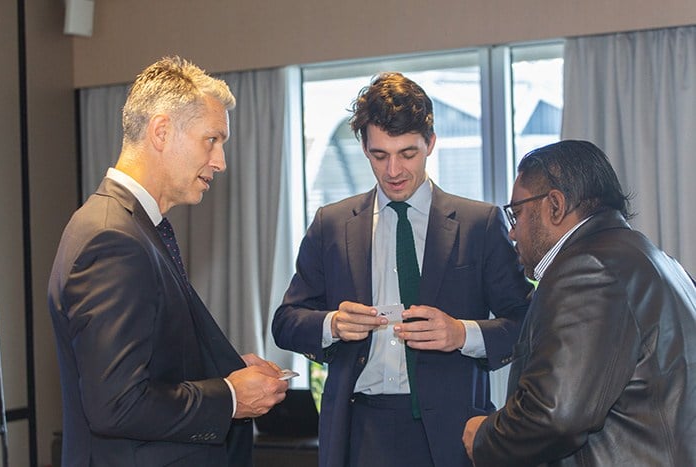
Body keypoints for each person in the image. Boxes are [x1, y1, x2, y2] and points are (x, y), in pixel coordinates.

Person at [272, 72, 532, 467]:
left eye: (407, 153)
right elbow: (286, 321)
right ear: (364, 147)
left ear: (430, 143)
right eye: (380, 155)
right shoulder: (331, 224)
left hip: (453, 432)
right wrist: (333, 325)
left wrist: (462, 333)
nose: (393, 170)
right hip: (357, 431)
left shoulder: (479, 224)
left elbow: (527, 322)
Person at [48, 56, 289, 467]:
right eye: (211, 140)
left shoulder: (135, 227)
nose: (220, 161)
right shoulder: (112, 237)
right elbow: (118, 404)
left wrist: (225, 370)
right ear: (161, 131)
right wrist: (231, 397)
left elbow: (154, 363)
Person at [463, 140, 696, 466]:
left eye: (517, 214)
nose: (513, 233)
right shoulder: (657, 260)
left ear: (555, 206)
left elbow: (556, 414)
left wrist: (486, 436)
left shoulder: (587, 268)